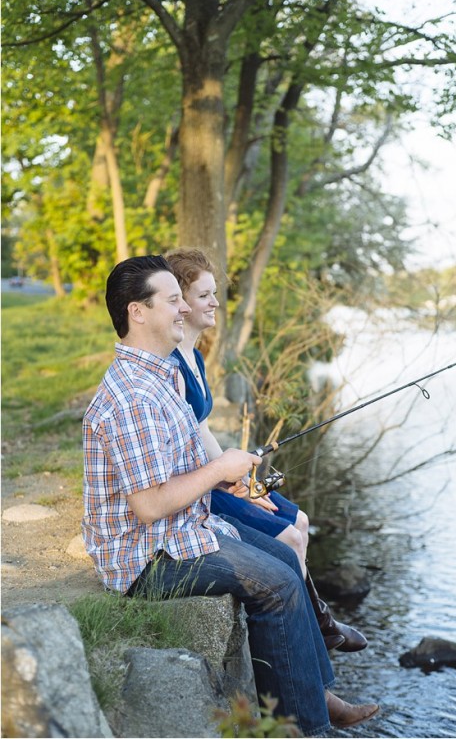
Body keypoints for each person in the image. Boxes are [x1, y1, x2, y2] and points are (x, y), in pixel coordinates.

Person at [82, 256, 379, 736]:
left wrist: (226, 478)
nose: (184, 308)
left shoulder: (163, 376)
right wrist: (219, 467)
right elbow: (150, 505)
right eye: (173, 299)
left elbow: (175, 467)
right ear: (138, 312)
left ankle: (315, 700)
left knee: (286, 558)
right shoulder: (131, 396)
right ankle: (306, 727)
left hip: (184, 528)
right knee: (277, 586)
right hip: (145, 556)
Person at [164, 247, 366, 653]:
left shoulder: (196, 358)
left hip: (218, 479)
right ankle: (313, 631)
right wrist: (228, 485)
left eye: (213, 293)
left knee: (302, 520)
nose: (215, 302)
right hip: (200, 492)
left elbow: (202, 429)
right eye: (204, 295)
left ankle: (318, 621)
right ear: (180, 303)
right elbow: (182, 453)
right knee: (290, 539)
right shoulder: (172, 368)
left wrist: (240, 478)